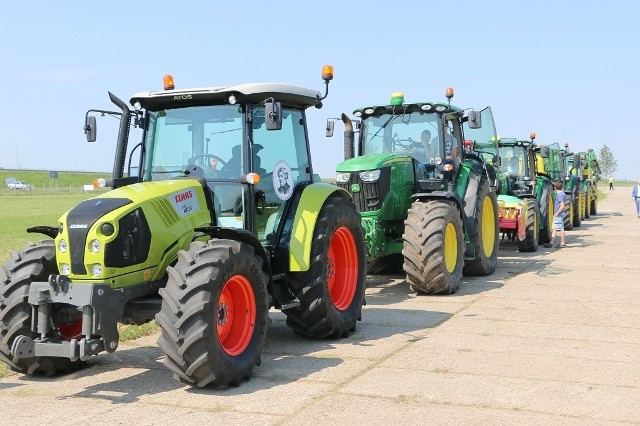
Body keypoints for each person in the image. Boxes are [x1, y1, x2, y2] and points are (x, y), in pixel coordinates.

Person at [543, 181, 566, 248]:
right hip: (558, 214)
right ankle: (551, 243)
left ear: (555, 188)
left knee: (561, 228)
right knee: (555, 228)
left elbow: (562, 206)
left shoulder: (560, 195)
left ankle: (562, 243)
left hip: (558, 214)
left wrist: (556, 214)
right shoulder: (563, 194)